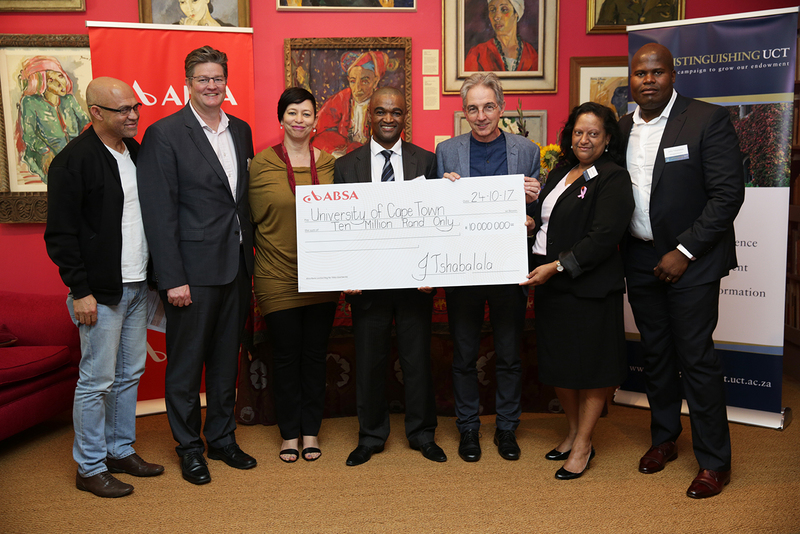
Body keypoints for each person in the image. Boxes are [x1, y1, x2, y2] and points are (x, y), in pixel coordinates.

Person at [619, 43, 744, 499]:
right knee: (656, 355)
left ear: (673, 75)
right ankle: (664, 438)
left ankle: (714, 462)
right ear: (630, 79)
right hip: (639, 258)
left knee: (695, 358)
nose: (648, 80)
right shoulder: (620, 127)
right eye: (639, 73)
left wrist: (684, 251)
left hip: (692, 263)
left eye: (657, 72)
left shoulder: (706, 119)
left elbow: (727, 195)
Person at [137, 46, 257, 485]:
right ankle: (189, 448)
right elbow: (159, 212)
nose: (212, 86)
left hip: (237, 269)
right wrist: (172, 279)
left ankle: (222, 439)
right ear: (188, 82)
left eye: (218, 78)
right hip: (191, 274)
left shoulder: (240, 130)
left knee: (227, 362)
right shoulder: (165, 133)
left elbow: (238, 202)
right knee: (187, 367)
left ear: (226, 82)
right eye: (203, 79)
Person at [44, 77, 164, 498]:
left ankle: (118, 449)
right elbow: (60, 235)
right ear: (95, 112)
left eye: (135, 107)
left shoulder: (136, 152)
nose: (133, 116)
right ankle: (90, 466)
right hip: (99, 292)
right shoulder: (72, 162)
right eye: (122, 110)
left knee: (129, 374)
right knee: (96, 381)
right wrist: (80, 290)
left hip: (137, 286)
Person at [521, 102, 634, 480]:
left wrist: (557, 267)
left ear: (607, 139)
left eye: (593, 134)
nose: (584, 140)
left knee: (592, 367)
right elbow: (547, 222)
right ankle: (572, 432)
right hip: (551, 285)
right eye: (578, 132)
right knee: (562, 366)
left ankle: (584, 443)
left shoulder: (614, 177)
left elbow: (603, 237)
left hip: (588, 287)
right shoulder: (559, 171)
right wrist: (528, 223)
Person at [334, 87, 445, 466]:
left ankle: (422, 434)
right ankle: (371, 436)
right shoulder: (346, 166)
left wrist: (432, 269)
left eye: (396, 112)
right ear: (370, 117)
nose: (387, 118)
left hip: (416, 281)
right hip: (367, 283)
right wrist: (347, 272)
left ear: (405, 117)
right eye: (380, 111)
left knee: (417, 361)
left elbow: (436, 223)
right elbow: (341, 228)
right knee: (369, 361)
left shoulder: (427, 162)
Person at [436, 72, 540, 462]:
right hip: (463, 268)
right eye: (472, 108)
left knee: (509, 353)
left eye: (488, 107)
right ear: (464, 112)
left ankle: (507, 429)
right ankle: (468, 429)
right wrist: (441, 188)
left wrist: (534, 208)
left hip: (509, 264)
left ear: (500, 107)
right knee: (463, 353)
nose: (481, 116)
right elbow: (435, 213)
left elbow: (538, 212)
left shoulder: (526, 150)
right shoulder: (446, 152)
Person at [249, 88, 339, 463]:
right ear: (280, 118)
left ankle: (310, 431)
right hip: (276, 275)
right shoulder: (260, 165)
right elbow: (247, 221)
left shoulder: (332, 164)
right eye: (292, 113)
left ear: (316, 120)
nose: (299, 120)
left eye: (306, 114)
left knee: (315, 356)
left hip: (323, 278)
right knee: (286, 355)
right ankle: (289, 434)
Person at [15, 55, 90, 184]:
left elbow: (86, 124)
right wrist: (45, 151)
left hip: (74, 156)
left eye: (60, 76)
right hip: (45, 155)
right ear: (40, 83)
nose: (60, 83)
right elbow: (29, 135)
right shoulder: (30, 102)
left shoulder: (69, 100)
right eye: (51, 80)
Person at [314, 50, 396, 157]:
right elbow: (318, 125)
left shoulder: (382, 102)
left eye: (365, 81)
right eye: (353, 81)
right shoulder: (342, 97)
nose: (357, 88)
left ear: (375, 81)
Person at [464, 0, 538, 73]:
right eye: (492, 10)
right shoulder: (477, 54)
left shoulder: (531, 54)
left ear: (516, 13)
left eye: (504, 9)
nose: (496, 17)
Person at [596, 0, 677, 26]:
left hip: (660, 49)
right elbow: (603, 33)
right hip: (625, 52)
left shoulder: (670, 2)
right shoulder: (615, 1)